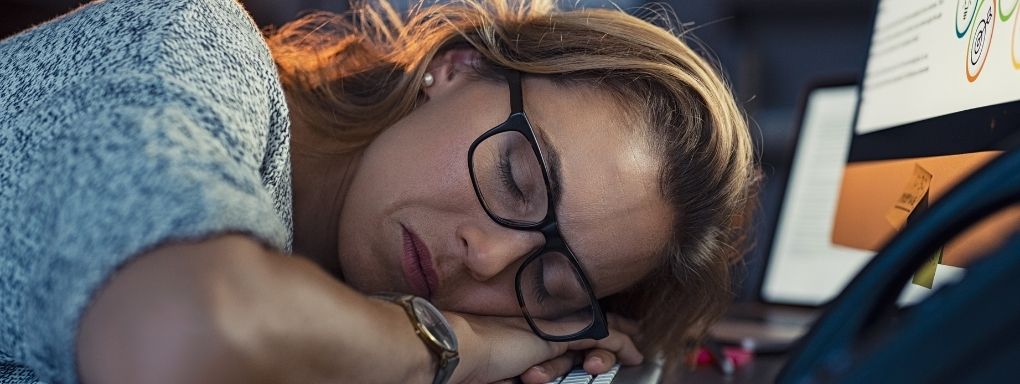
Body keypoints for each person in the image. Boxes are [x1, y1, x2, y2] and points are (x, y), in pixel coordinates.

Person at [0, 0, 757, 383]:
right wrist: (454, 343)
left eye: (551, 280)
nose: (488, 258)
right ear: (455, 71)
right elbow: (184, 336)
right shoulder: (192, 43)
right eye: (514, 177)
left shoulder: (334, 298)